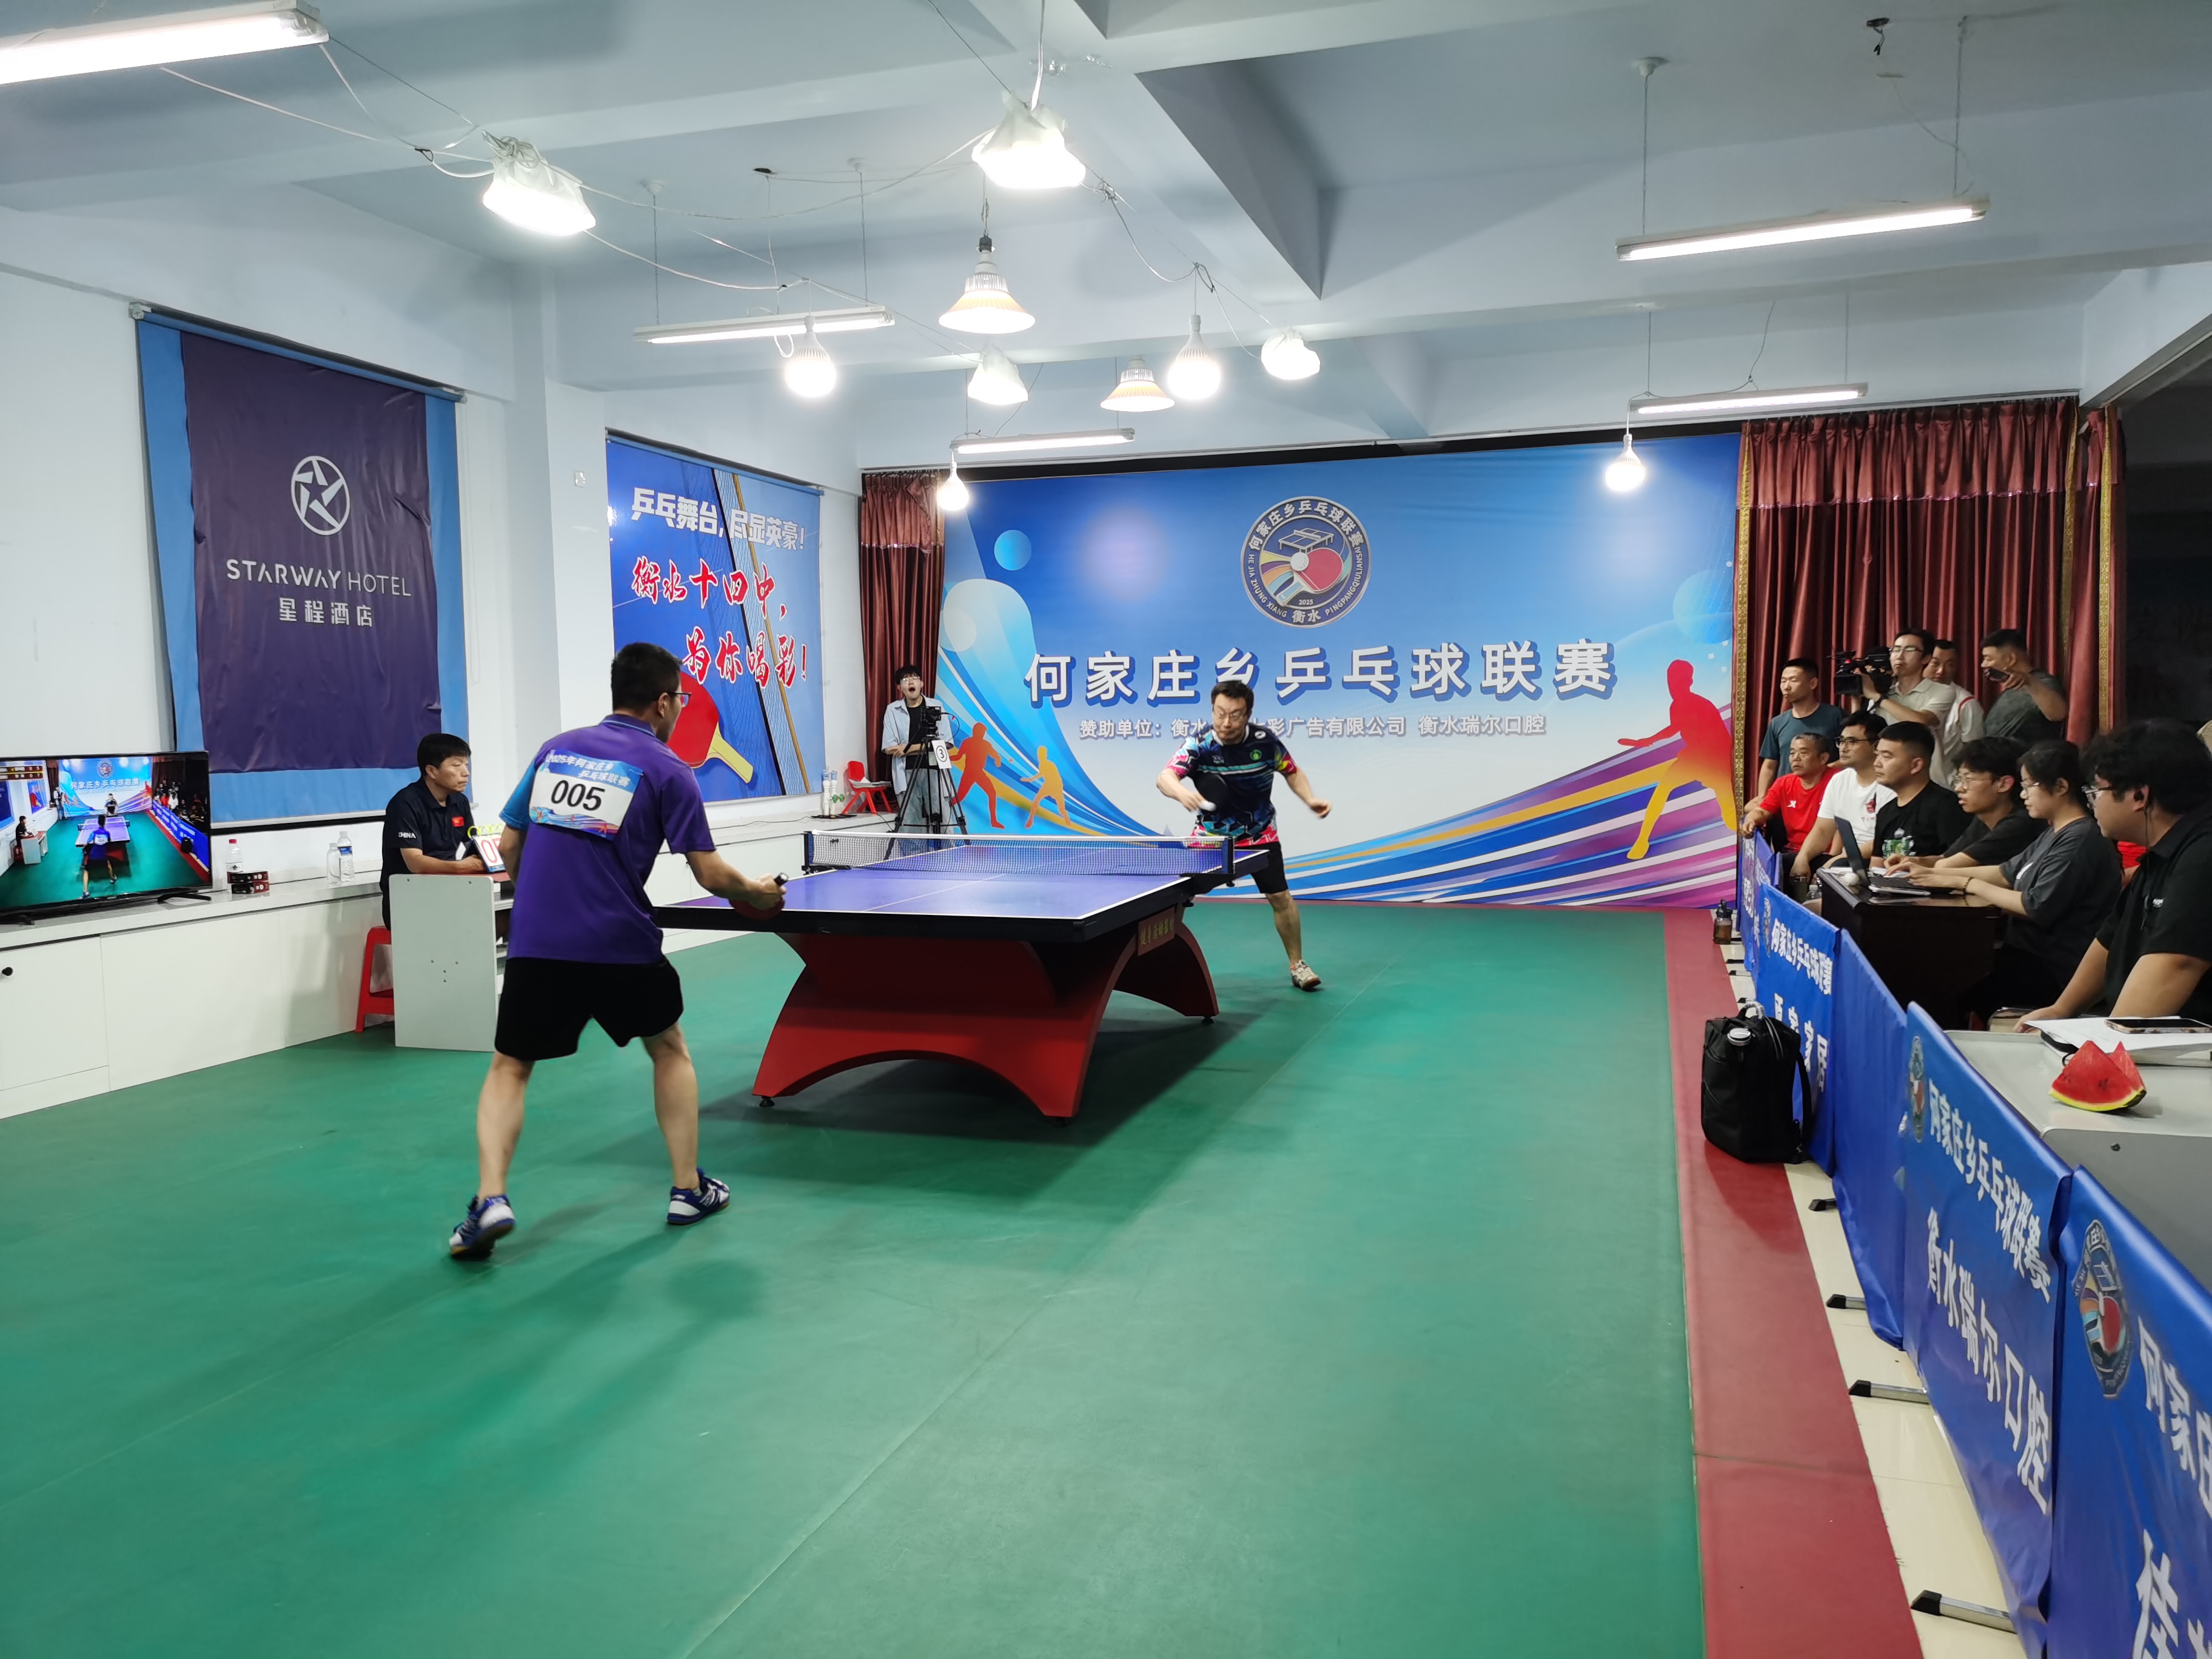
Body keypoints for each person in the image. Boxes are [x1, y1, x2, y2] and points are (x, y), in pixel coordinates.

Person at [445, 643, 788, 1259]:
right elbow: (710, 874)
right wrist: (759, 893)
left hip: (538, 944)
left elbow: (512, 844)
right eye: (680, 699)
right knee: (668, 1049)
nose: (681, 709)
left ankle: (491, 1198)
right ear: (663, 702)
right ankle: (688, 1189)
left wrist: (540, 904)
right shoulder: (669, 769)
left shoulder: (556, 750)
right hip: (618, 941)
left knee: (510, 1066)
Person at [1907, 741, 2121, 1022]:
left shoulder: (2080, 838)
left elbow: (2034, 906)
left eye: (2029, 785)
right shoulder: (2054, 832)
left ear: (2060, 787)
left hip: (2051, 967)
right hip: (2024, 954)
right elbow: (2004, 873)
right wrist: (1932, 875)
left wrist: (1967, 884)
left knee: (1945, 988)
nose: (2023, 794)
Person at [2019, 720, 2212, 1029]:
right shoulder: (2163, 852)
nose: (2092, 803)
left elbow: (2178, 961)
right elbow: (2111, 938)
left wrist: (2111, 1042)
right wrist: (2061, 1009)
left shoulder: (2203, 853)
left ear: (2139, 797)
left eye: (2096, 791)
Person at [1156, 679, 1330, 992]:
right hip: (1211, 838)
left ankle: (1298, 965)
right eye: (1220, 713)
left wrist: (1310, 799)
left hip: (1260, 835)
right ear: (1212, 710)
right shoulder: (1200, 744)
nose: (1226, 723)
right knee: (1176, 896)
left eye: (1235, 715)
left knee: (1280, 898)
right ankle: (1160, 961)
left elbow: (1291, 771)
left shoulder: (1266, 742)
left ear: (1248, 714)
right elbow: (1165, 777)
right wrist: (1181, 793)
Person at [1620, 659, 1737, 860]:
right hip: (1693, 758)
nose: (1673, 686)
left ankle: (1744, 844)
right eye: (1671, 681)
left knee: (1729, 816)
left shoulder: (1702, 704)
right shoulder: (1676, 705)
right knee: (1662, 791)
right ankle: (1642, 841)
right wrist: (1647, 740)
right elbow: (1674, 728)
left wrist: (1716, 771)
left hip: (1716, 761)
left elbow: (1720, 739)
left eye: (1679, 681)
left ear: (1690, 681)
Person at [379, 732, 486, 927]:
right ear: (432, 771)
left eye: (466, 765)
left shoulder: (459, 801)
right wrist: (460, 867)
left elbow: (472, 844)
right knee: (477, 925)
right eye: (457, 766)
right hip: (408, 899)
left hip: (449, 890)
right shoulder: (405, 803)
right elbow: (415, 863)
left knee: (505, 918)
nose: (466, 773)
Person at [1891, 736, 2039, 871]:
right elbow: (1945, 858)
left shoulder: (2021, 823)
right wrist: (1914, 861)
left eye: (1967, 780)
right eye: (1959, 780)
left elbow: (1946, 866)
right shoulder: (1983, 819)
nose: (1958, 788)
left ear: (2004, 784)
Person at [1794, 711, 1891, 882]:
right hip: (1848, 858)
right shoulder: (1839, 780)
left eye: (1852, 742)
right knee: (1788, 863)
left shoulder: (1892, 784)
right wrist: (1802, 857)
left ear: (1876, 746)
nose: (1844, 748)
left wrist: (1837, 859)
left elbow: (1886, 840)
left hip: (1877, 861)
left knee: (1839, 866)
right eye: (1842, 741)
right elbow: (1823, 829)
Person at [1863, 628, 1966, 786]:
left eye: (1909, 650)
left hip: (1926, 781)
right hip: (1886, 780)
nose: (1899, 656)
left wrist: (1876, 697)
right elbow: (1865, 735)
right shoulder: (1884, 694)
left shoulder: (1942, 691)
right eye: (1896, 650)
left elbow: (1920, 721)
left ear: (1926, 658)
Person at [1750, 658, 1844, 806]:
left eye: (1793, 680)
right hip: (1787, 800)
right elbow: (1770, 764)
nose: (1786, 687)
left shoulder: (1835, 715)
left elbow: (1850, 757)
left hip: (1824, 797)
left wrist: (1820, 771)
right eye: (1783, 681)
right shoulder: (1777, 722)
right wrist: (1763, 797)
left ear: (1813, 684)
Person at [1869, 722, 1968, 859]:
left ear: (1916, 765)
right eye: (1877, 755)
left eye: (1886, 757)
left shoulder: (1947, 807)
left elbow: (1960, 861)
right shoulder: (1885, 812)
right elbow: (1876, 865)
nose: (1876, 764)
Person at [1742, 731, 1835, 856]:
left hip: (1827, 854)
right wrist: (1750, 820)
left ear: (1823, 758)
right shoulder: (1784, 783)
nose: (1795, 758)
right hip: (1794, 852)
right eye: (1792, 753)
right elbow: (1762, 811)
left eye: (1803, 753)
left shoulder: (1839, 780)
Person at [879, 665, 950, 823]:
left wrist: (908, 748)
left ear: (921, 684)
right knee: (910, 822)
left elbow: (946, 743)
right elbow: (889, 747)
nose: (910, 682)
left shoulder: (936, 706)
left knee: (943, 821)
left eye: (914, 678)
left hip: (935, 771)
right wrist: (925, 748)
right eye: (905, 680)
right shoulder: (893, 710)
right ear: (899, 687)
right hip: (906, 772)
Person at [1979, 628, 2068, 745]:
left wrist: (2031, 682)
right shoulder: (2011, 689)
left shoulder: (2043, 682)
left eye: (1988, 659)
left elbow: (2059, 713)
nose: (1984, 665)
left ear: (2011, 659)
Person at [1926, 638, 1986, 780]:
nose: (1941, 671)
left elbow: (1973, 751)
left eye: (1950, 665)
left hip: (1944, 782)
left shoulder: (1966, 704)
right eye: (1935, 663)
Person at [950, 722, 1004, 829]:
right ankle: (945, 807)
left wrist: (998, 760)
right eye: (981, 732)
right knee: (960, 797)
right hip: (969, 773)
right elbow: (958, 756)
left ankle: (994, 821)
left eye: (983, 733)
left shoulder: (986, 744)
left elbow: (996, 755)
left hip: (979, 773)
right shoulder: (968, 742)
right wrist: (944, 759)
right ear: (975, 732)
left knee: (992, 793)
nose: (982, 734)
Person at [1019, 744, 1069, 829]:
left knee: (1061, 811)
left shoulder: (1050, 764)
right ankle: (1030, 820)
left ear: (1045, 755)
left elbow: (1057, 778)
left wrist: (1058, 790)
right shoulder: (1041, 765)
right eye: (1039, 755)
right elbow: (1041, 774)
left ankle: (1067, 818)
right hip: (1048, 785)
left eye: (1041, 755)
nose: (1039, 757)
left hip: (1056, 787)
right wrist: (1030, 779)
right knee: (1036, 801)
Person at [80, 814, 116, 896]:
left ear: (98, 822)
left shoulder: (94, 833)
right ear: (105, 822)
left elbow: (88, 843)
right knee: (108, 864)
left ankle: (85, 891)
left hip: (93, 856)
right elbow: (109, 841)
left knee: (86, 871)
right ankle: (112, 879)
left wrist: (84, 848)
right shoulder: (107, 833)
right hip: (103, 856)